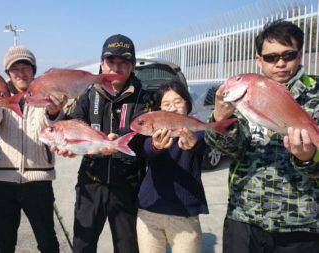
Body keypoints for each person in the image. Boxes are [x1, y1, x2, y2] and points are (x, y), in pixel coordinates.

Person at [205, 19, 319, 253]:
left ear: (300, 55)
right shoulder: (244, 93)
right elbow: (226, 150)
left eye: (289, 55)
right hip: (244, 219)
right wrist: (218, 120)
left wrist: (308, 159)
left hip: (301, 226)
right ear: (258, 60)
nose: (280, 63)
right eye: (271, 57)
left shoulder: (315, 93)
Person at [51, 34, 149, 253]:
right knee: (83, 245)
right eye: (111, 62)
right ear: (102, 63)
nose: (116, 67)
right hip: (91, 180)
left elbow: (144, 133)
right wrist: (67, 146)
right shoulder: (88, 93)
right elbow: (71, 124)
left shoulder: (144, 97)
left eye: (123, 63)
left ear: (132, 66)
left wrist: (118, 139)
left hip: (127, 185)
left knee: (127, 247)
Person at [0, 45, 63, 253]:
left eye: (26, 68)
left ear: (34, 70)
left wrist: (54, 111)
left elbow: (50, 126)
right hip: (3, 181)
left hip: (38, 181)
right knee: (4, 243)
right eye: (15, 69)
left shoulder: (46, 93)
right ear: (8, 73)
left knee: (48, 242)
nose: (21, 73)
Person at [136, 81, 208, 253]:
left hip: (184, 214)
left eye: (178, 102)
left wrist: (194, 145)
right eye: (166, 104)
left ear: (187, 104)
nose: (173, 108)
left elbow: (204, 147)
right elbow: (145, 149)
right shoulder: (153, 130)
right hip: (150, 210)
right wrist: (155, 145)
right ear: (159, 108)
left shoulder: (197, 129)